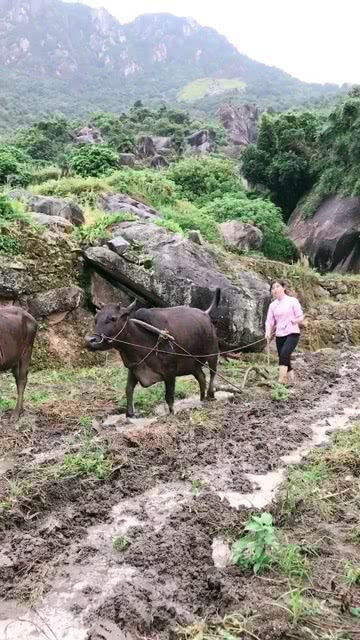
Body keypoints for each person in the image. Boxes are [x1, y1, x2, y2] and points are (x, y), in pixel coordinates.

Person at [265, 280, 304, 384]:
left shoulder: (292, 301)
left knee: (284, 354)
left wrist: (294, 321)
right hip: (279, 334)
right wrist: (268, 332)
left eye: (277, 286)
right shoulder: (272, 305)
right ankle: (293, 381)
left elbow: (300, 316)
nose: (275, 289)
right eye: (273, 288)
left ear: (284, 288)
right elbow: (269, 321)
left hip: (292, 333)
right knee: (284, 357)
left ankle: (281, 380)